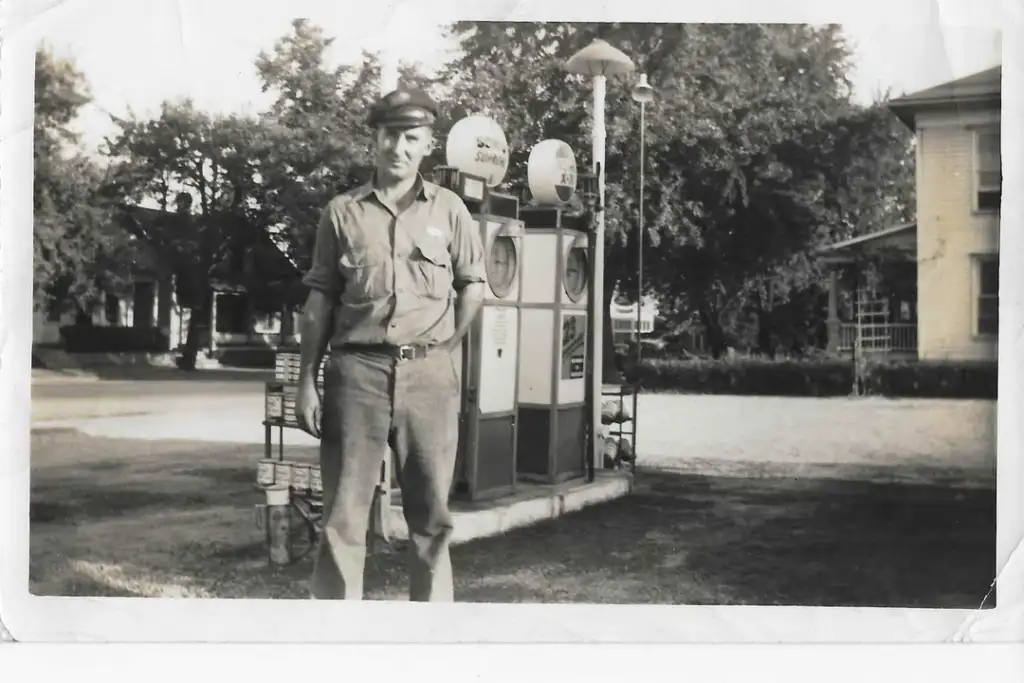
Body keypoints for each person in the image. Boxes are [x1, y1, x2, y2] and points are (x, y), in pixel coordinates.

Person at [296, 88, 486, 601]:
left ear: (427, 144)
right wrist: (305, 385)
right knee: (343, 516)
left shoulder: (450, 211)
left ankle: (430, 636)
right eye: (388, 135)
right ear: (374, 141)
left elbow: (473, 286)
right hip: (356, 374)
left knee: (431, 516)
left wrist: (448, 345)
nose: (398, 147)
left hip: (428, 375)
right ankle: (335, 637)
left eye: (410, 138)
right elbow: (318, 304)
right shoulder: (341, 213)